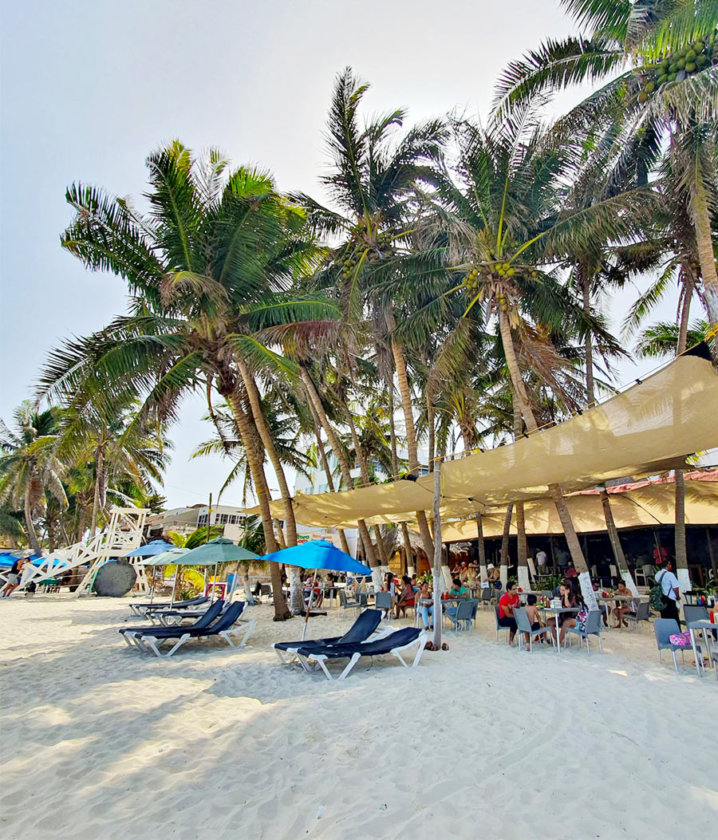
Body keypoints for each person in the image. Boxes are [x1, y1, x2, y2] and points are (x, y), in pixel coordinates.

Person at [656, 559, 681, 625]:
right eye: (670, 564)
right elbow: (675, 587)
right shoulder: (670, 575)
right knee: (674, 618)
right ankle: (675, 633)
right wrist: (677, 596)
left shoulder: (657, 574)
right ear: (667, 565)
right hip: (670, 599)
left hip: (661, 598)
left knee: (665, 618)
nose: (671, 566)